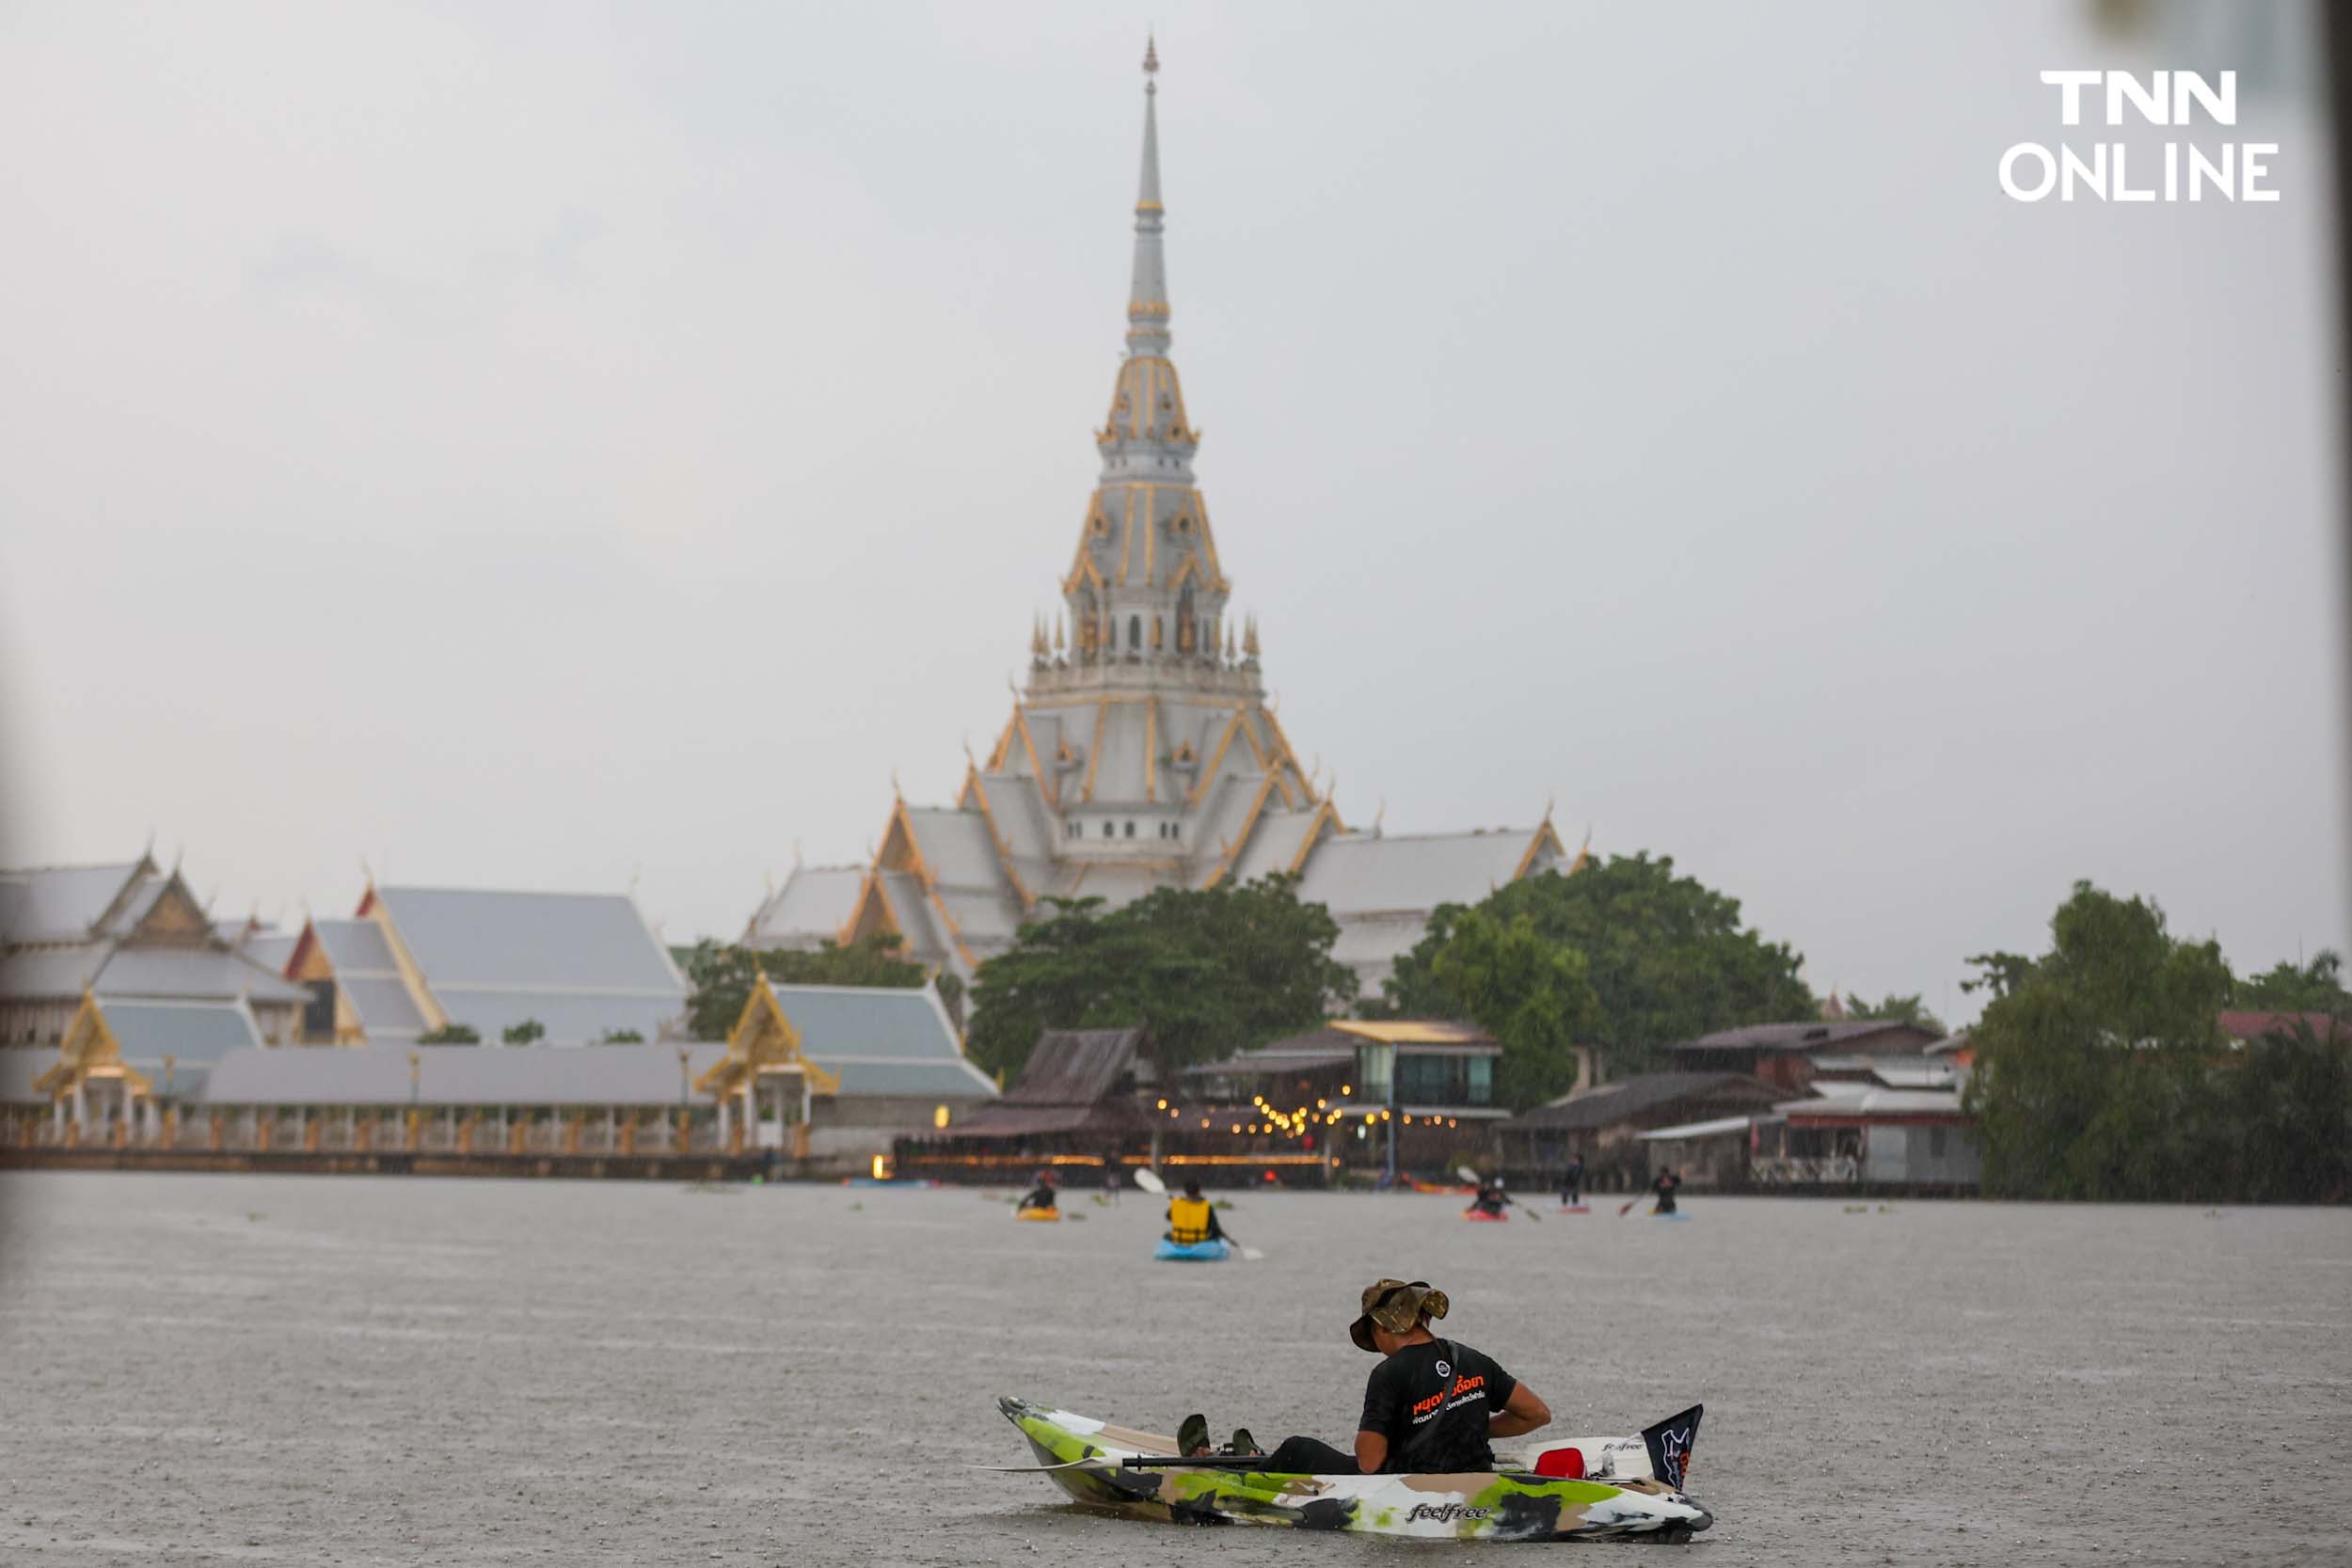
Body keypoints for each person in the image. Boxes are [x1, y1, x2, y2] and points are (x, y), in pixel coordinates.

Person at [1241, 1278, 1550, 1476]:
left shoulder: (1388, 1373)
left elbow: (1370, 1462)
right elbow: (1537, 1414)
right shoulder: (1472, 1358)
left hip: (1409, 1486)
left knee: (1297, 1449)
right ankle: (1255, 1460)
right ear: (1423, 1320)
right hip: (1474, 1476)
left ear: (1382, 1327)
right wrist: (1469, 1427)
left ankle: (1248, 1476)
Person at [1165, 1179, 1224, 1246]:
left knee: (1166, 1235)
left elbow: (1168, 1217)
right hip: (1200, 1241)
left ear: (1185, 1191)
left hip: (1179, 1241)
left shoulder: (1177, 1205)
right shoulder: (1207, 1207)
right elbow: (1215, 1228)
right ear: (1199, 1191)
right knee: (1216, 1236)